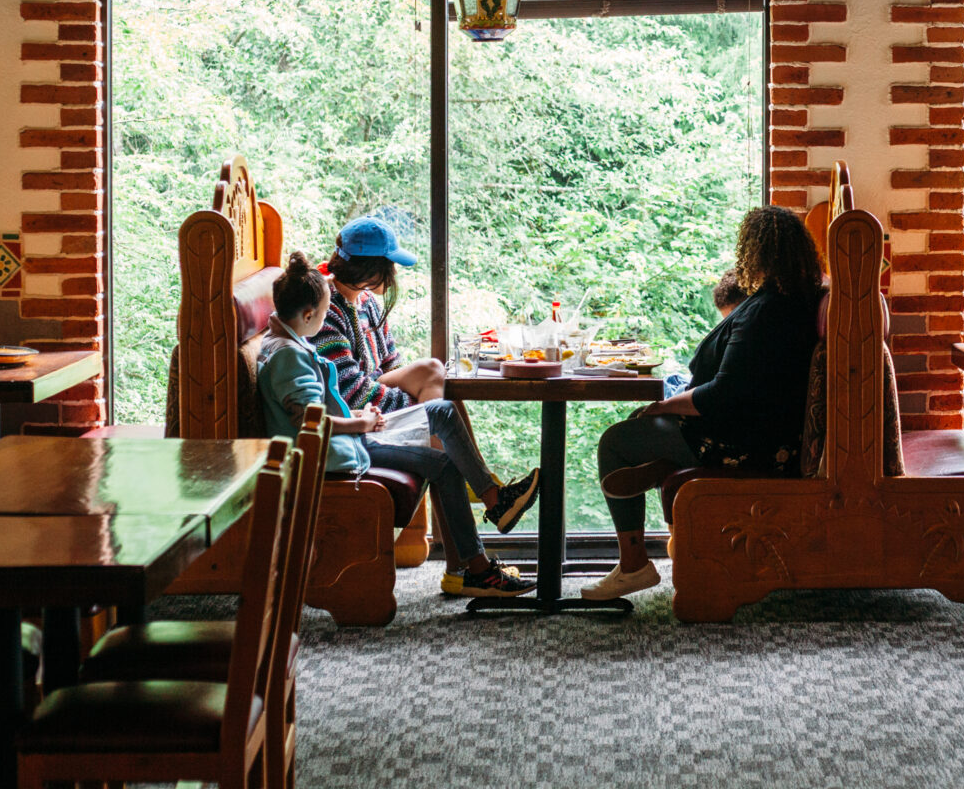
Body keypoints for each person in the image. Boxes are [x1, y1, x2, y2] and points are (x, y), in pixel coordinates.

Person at [257, 252, 542, 598]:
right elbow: (308, 422)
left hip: (347, 442)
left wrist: (358, 419)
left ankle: (480, 557)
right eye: (324, 310)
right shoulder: (288, 355)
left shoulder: (291, 340)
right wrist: (360, 423)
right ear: (307, 315)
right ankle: (492, 511)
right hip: (335, 454)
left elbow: (322, 406)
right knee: (443, 419)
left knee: (444, 442)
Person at [581, 207, 823, 601]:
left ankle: (634, 566)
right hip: (765, 434)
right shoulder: (795, 302)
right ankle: (663, 468)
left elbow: (723, 396)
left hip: (740, 444)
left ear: (756, 251)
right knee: (640, 430)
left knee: (616, 442)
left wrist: (664, 407)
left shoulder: (765, 312)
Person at [312, 216, 446, 416]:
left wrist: (425, 397)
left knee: (437, 376)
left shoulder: (367, 301)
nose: (394, 273)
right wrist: (417, 404)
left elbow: (391, 362)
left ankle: (437, 426)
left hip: (374, 394)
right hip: (359, 414)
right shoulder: (326, 311)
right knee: (434, 378)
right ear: (369, 268)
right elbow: (349, 394)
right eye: (390, 265)